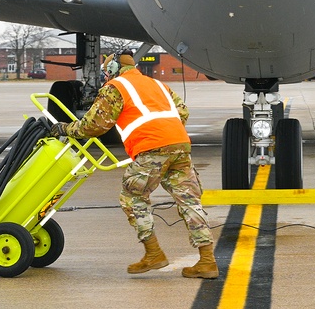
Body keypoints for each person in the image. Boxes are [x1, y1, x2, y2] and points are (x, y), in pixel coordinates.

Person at [50, 51, 219, 278]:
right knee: (189, 201)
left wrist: (64, 128)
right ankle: (207, 261)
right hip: (180, 145)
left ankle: (154, 254)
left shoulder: (116, 87)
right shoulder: (157, 84)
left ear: (112, 70)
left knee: (132, 197)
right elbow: (182, 111)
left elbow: (93, 126)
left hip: (151, 148)